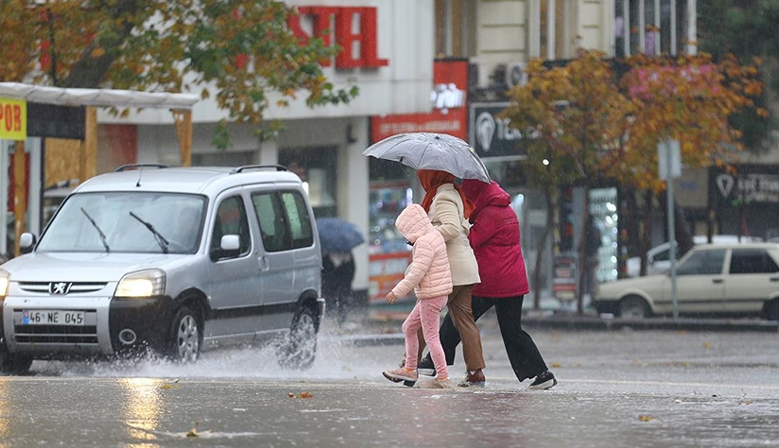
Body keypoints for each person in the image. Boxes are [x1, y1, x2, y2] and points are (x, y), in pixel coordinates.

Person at [418, 179, 557, 390]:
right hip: (513, 284)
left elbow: (470, 241)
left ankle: (433, 363)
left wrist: (456, 225)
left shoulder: (490, 214)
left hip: (492, 282)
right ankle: (542, 373)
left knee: (458, 318)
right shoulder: (506, 210)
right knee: (513, 331)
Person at [415, 169, 485, 386]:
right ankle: (476, 372)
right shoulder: (455, 193)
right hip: (465, 268)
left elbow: (452, 228)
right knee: (465, 321)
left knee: (420, 317)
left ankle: (409, 365)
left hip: (450, 269)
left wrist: (425, 238)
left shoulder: (443, 196)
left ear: (433, 175)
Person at [382, 203, 454, 388]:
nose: (406, 236)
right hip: (436, 293)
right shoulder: (434, 235)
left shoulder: (424, 243)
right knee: (409, 327)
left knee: (431, 337)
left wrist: (396, 292)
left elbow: (416, 273)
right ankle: (410, 369)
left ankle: (443, 376)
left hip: (431, 295)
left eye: (405, 231)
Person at [321, 250, 356, 326]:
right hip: (336, 283)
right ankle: (336, 317)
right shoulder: (348, 256)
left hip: (336, 283)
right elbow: (352, 270)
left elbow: (324, 272)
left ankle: (336, 317)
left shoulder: (326, 255)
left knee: (338, 298)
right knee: (338, 298)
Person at [584, 214, 602, 300]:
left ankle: (591, 293)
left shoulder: (587, 230)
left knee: (589, 275)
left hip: (588, 255)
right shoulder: (596, 230)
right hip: (594, 255)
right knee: (592, 275)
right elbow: (600, 243)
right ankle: (593, 292)